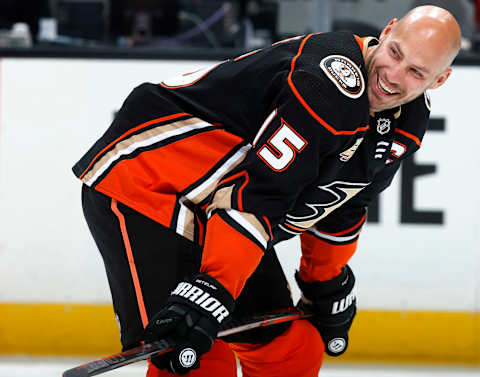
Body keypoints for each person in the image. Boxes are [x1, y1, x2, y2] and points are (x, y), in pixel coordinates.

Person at [73, 5, 461, 377]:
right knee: (192, 355)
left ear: (439, 80)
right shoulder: (329, 83)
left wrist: (323, 281)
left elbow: (343, 204)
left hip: (217, 206)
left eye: (415, 71)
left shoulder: (407, 121)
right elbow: (260, 195)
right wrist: (217, 286)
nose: (393, 76)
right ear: (388, 29)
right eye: (395, 53)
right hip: (147, 180)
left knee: (291, 350)